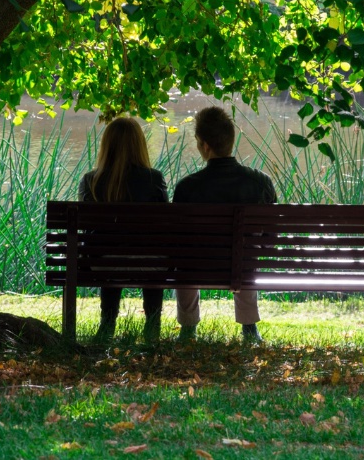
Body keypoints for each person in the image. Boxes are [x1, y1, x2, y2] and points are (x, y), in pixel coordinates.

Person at [174, 106, 277, 343]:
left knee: (185, 262)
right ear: (231, 141)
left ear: (206, 146)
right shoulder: (260, 182)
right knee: (246, 256)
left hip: (197, 268)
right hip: (241, 267)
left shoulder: (187, 187)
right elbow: (269, 239)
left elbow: (176, 240)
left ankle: (188, 329)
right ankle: (249, 328)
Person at [79, 117, 168, 344]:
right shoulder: (154, 179)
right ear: (140, 144)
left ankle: (107, 324)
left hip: (104, 262)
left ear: (106, 145)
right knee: (150, 252)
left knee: (109, 252)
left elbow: (86, 227)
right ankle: (152, 324)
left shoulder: (91, 180)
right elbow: (166, 224)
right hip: (150, 261)